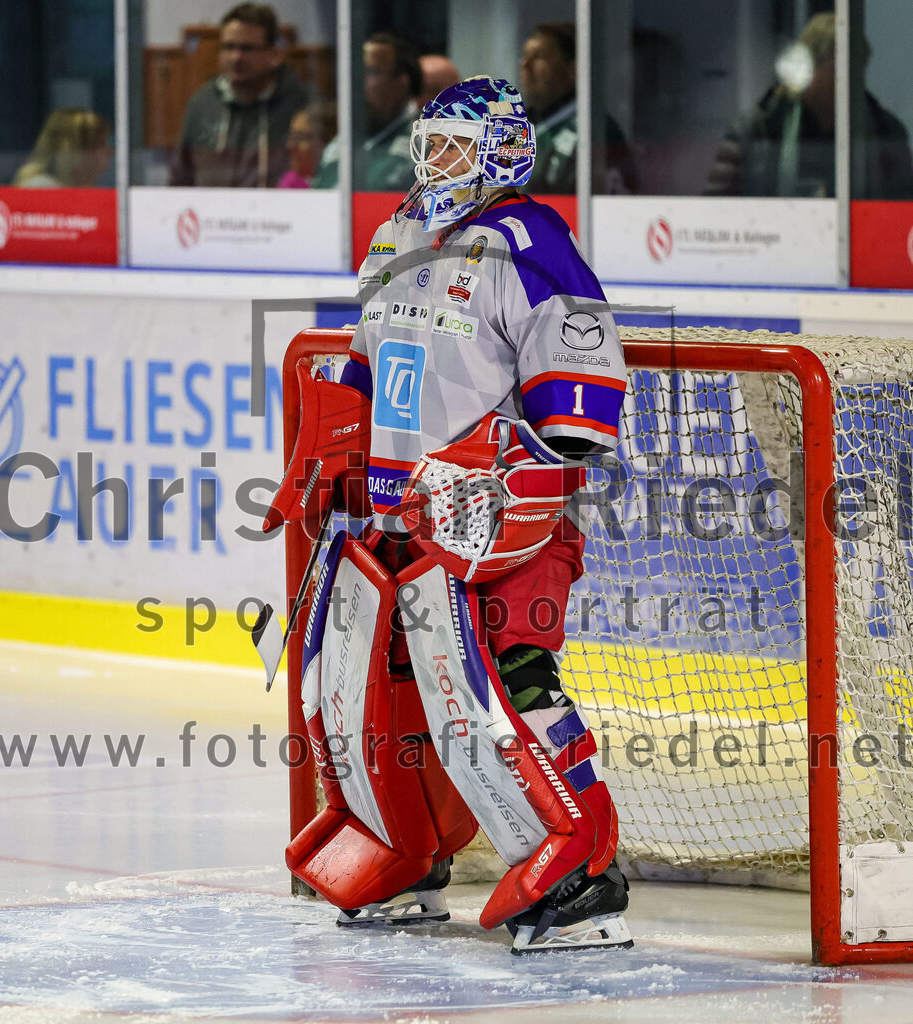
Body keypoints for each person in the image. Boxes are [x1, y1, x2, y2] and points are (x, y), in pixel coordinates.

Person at [277, 76, 632, 954]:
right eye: (426, 145)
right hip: (390, 520)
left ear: (504, 151)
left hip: (495, 527)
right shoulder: (397, 232)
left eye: (452, 148)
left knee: (505, 689)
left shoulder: (530, 240)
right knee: (358, 694)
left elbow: (579, 410)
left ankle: (584, 871)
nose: (431, 163)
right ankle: (407, 852)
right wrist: (339, 461)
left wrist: (513, 478)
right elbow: (365, 364)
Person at [704, 12, 913, 198]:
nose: (850, 77)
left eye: (858, 65)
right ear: (810, 67)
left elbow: (904, 209)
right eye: (838, 65)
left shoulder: (887, 131)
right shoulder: (757, 130)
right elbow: (718, 210)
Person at [169, 3, 311, 188]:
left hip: (276, 214)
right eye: (228, 47)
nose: (236, 57)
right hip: (212, 214)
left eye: (247, 48)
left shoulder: (298, 103)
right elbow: (180, 176)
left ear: (273, 54)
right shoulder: (202, 103)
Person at [519, 22, 637, 195]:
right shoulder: (519, 125)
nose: (525, 65)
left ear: (573, 69)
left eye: (538, 57)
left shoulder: (595, 130)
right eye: (524, 57)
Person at [313, 32, 421, 190]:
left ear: (402, 82)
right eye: (356, 73)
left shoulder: (423, 142)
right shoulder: (344, 139)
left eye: (371, 72)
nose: (358, 83)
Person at [13, 109, 112, 188]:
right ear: (75, 150)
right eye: (101, 143)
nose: (110, 151)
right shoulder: (41, 188)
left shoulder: (82, 186)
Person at [277, 101, 337, 188]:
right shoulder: (291, 181)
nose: (290, 145)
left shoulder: (340, 184)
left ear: (327, 144)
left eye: (301, 138)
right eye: (292, 137)